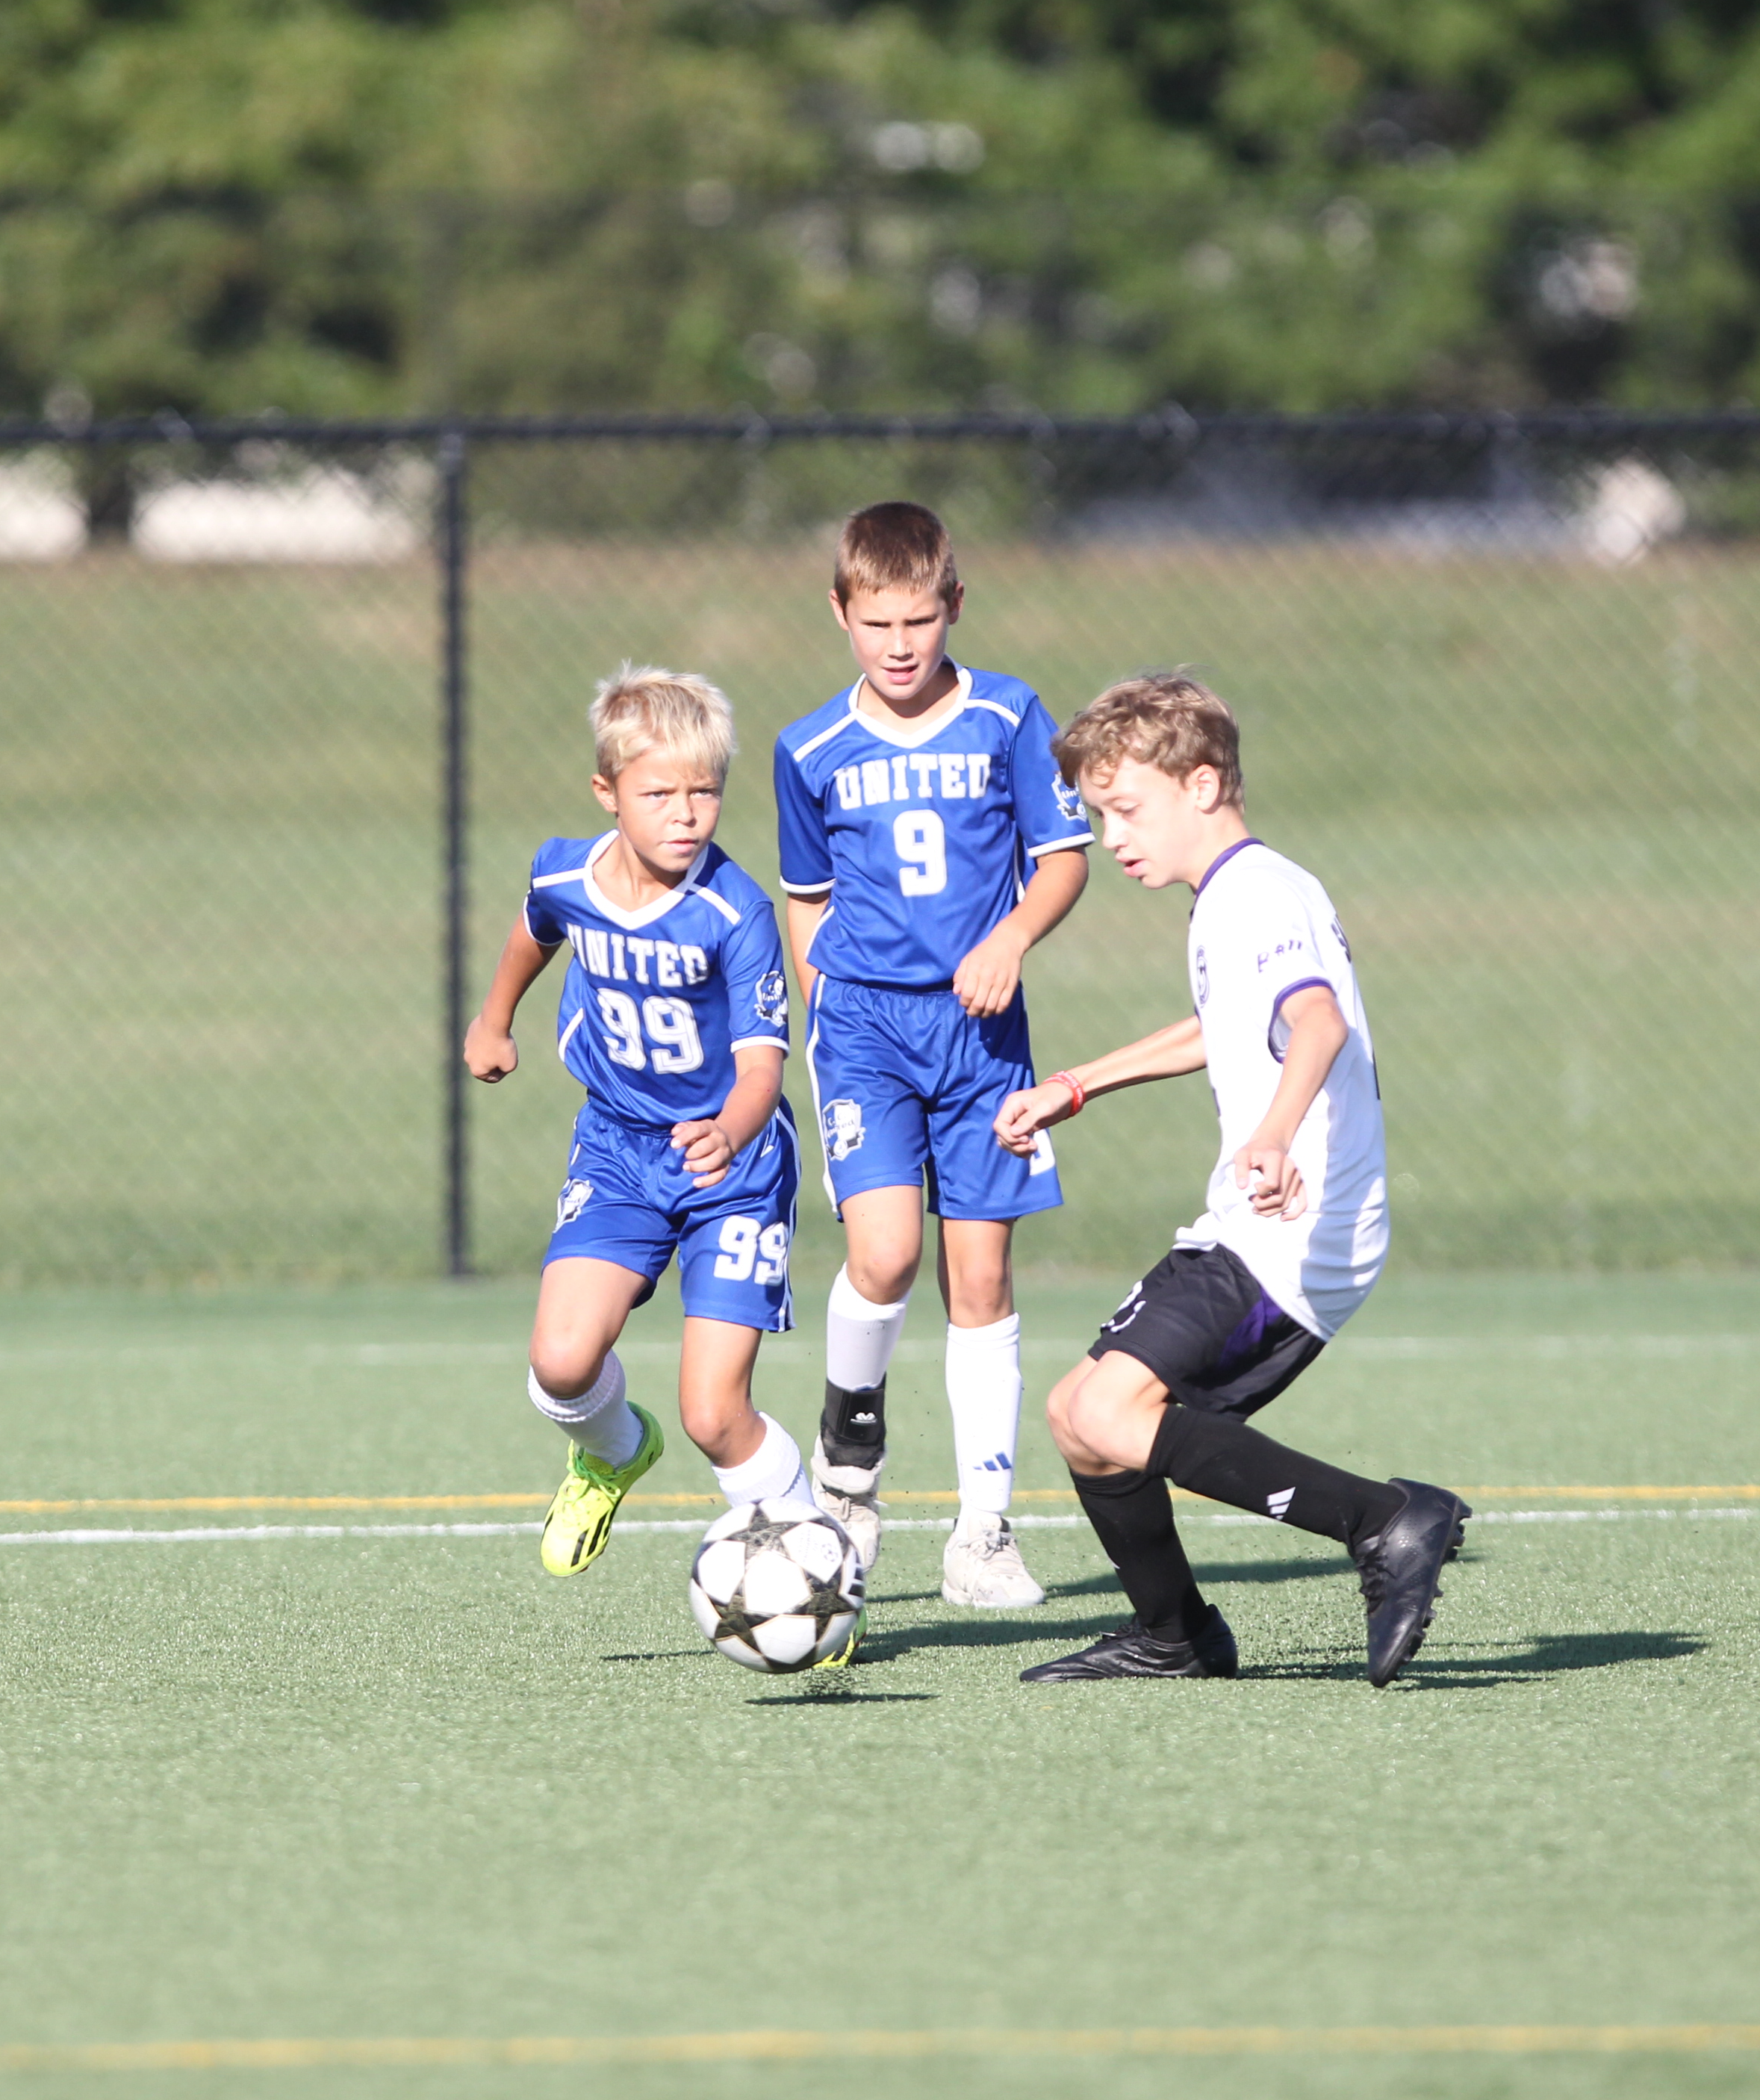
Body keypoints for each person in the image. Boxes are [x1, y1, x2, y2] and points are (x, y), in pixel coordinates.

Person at [992, 673, 1466, 1686]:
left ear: (1201, 786)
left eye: (1128, 809)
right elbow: (1226, 1026)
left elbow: (1316, 1023)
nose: (1113, 837)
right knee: (1081, 1417)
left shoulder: (1257, 893)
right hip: (1255, 1224)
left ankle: (1387, 1521)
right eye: (1101, 815)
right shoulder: (1234, 896)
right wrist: (1076, 1085)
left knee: (1108, 1413)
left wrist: (1276, 1134)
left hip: (1290, 1227)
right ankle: (1174, 1636)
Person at [772, 503, 1092, 1607]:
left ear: (954, 604)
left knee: (983, 1275)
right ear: (840, 613)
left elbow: (1063, 858)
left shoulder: (1007, 715)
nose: (900, 644)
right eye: (878, 623)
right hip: (867, 1033)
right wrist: (824, 1004)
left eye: (919, 619)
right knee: (886, 1254)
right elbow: (807, 897)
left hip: (983, 1039)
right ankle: (849, 1464)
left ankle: (983, 1534)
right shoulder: (810, 747)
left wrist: (1011, 938)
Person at [464, 665, 812, 1581]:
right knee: (561, 1364)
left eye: (705, 792)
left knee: (715, 1416)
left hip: (732, 1168)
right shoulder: (565, 871)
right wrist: (494, 1018)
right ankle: (616, 1453)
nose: (686, 814)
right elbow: (536, 926)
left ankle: (815, 1573)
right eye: (659, 794)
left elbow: (762, 1069)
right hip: (618, 1150)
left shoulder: (735, 913)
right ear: (607, 793)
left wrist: (730, 1131)